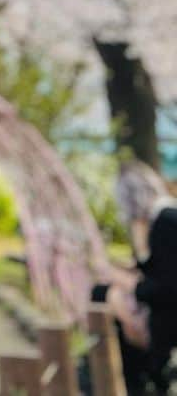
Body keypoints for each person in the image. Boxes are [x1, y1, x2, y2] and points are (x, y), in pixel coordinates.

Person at [92, 160, 177, 394]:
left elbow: (167, 289)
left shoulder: (165, 222)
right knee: (108, 290)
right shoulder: (165, 218)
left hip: (168, 322)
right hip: (165, 314)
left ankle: (135, 381)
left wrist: (130, 285)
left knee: (105, 294)